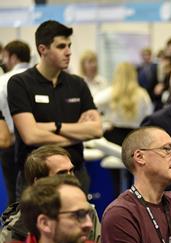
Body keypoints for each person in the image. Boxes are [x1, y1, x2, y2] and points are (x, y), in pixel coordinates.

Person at [7, 20, 102, 195]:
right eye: (61, 46)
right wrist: (77, 135)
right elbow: (30, 136)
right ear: (43, 49)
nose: (68, 52)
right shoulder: (20, 83)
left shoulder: (77, 84)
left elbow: (96, 129)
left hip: (75, 174)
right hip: (37, 179)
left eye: (69, 45)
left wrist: (54, 127)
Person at [1, 145, 102, 243]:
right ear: (39, 182)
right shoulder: (13, 231)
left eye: (71, 171)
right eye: (62, 173)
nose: (71, 178)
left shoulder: (87, 213)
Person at [0, 40, 31, 204]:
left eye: (5, 56)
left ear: (12, 57)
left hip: (12, 144)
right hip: (42, 144)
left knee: (16, 198)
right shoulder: (38, 79)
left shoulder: (3, 81)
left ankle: (16, 230)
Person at [95, 62, 153, 146]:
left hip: (113, 137)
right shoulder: (143, 94)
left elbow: (92, 104)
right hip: (135, 137)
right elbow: (149, 115)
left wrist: (105, 122)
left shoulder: (110, 92)